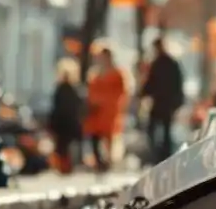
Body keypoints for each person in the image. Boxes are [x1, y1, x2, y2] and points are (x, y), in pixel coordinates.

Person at [83, 43, 129, 173]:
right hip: (95, 111)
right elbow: (90, 91)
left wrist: (111, 102)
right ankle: (99, 161)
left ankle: (108, 160)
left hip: (110, 110)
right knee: (94, 135)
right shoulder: (94, 74)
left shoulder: (117, 73)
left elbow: (122, 92)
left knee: (109, 137)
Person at [140, 37, 184, 164]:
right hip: (163, 102)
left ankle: (161, 155)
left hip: (163, 102)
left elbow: (151, 82)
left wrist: (143, 93)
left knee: (160, 129)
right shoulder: (167, 63)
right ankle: (162, 155)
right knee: (162, 129)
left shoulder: (162, 63)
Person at [49, 59, 83, 175]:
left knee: (66, 146)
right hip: (62, 122)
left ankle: (66, 166)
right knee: (62, 146)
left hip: (68, 122)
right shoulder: (62, 89)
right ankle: (63, 166)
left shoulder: (74, 89)